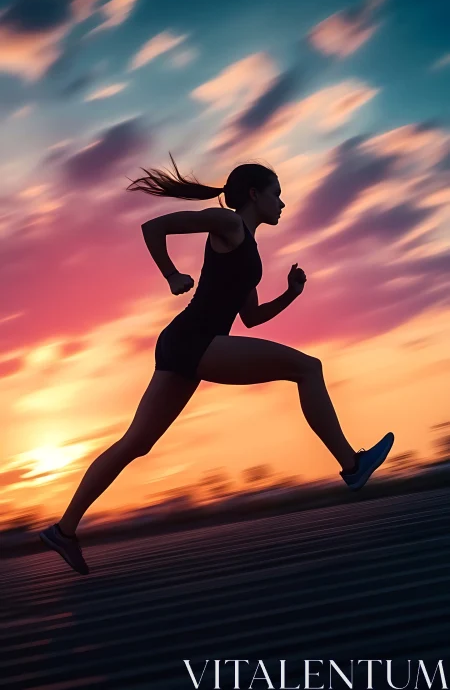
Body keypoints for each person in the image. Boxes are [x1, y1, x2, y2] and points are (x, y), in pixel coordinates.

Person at [39, 155, 394, 574]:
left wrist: (291, 294)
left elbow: (251, 317)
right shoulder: (228, 224)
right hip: (195, 340)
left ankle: (64, 530)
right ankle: (352, 466)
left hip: (184, 345)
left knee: (136, 443)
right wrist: (171, 275)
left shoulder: (251, 252)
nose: (283, 204)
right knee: (308, 368)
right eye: (277, 194)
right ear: (254, 194)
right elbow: (153, 228)